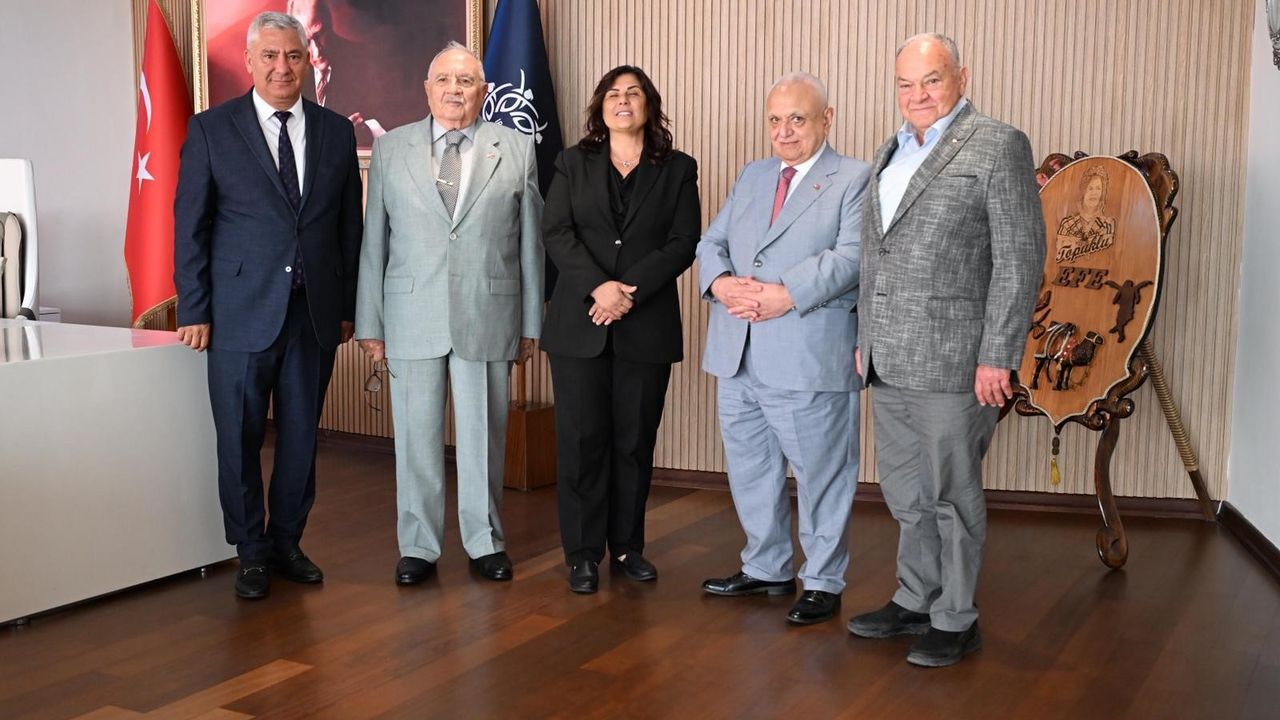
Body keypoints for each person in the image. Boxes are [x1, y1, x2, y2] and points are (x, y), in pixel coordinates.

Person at [848, 33, 1045, 667]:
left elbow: (1019, 259)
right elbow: (875, 255)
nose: (918, 95)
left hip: (956, 361)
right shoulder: (890, 149)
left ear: (962, 76)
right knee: (907, 494)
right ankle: (915, 599)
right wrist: (865, 340)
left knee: (952, 496)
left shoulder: (998, 144)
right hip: (888, 358)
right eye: (905, 83)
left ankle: (956, 618)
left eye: (931, 80)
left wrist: (999, 355)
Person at [173, 11, 363, 600]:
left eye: (294, 56)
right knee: (239, 438)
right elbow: (190, 227)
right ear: (250, 62)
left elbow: (348, 228)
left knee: (302, 438)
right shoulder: (212, 129)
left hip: (313, 314)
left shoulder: (335, 131)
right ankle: (250, 551)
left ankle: (286, 543)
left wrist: (349, 305)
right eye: (272, 56)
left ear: (307, 61)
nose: (283, 67)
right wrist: (194, 309)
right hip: (237, 312)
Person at [355, 42, 543, 586]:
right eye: (444, 80)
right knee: (415, 437)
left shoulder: (516, 147)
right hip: (409, 313)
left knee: (484, 435)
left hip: (489, 312)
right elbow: (374, 243)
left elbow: (531, 245)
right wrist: (370, 322)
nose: (454, 90)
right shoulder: (392, 148)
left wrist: (531, 324)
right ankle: (418, 545)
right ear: (427, 89)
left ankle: (485, 542)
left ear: (482, 91)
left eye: (465, 81)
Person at [697, 72, 870, 625]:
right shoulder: (753, 175)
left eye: (798, 118)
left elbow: (852, 257)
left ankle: (822, 581)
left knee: (822, 473)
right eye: (775, 119)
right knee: (751, 468)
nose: (784, 131)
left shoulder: (856, 178)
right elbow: (712, 241)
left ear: (827, 118)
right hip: (738, 349)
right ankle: (766, 566)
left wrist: (785, 295)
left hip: (807, 351)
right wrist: (721, 283)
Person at [541, 66, 701, 594]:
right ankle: (583, 554)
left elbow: (683, 242)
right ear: (600, 107)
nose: (623, 100)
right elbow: (556, 232)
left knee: (633, 441)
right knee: (581, 441)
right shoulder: (572, 162)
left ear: (649, 105)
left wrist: (626, 291)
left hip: (645, 323)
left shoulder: (677, 168)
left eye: (633, 93)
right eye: (613, 93)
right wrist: (598, 288)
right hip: (579, 324)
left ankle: (629, 547)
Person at [1054, 166, 1115, 262]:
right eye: (1090, 188)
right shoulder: (1067, 224)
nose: (1094, 193)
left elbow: (1107, 259)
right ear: (1083, 190)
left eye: (1098, 188)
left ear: (1102, 193)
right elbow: (1060, 256)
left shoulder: (1107, 224)